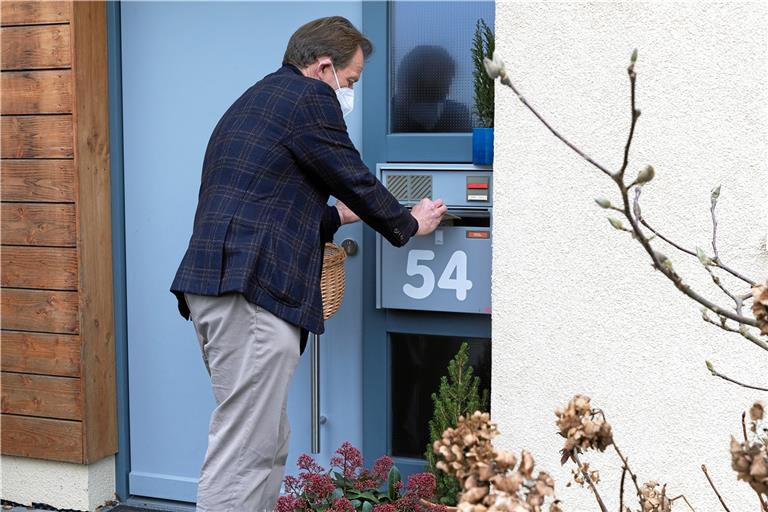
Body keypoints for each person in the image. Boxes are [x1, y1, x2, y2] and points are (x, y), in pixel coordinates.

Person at [170, 16, 447, 512]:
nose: (351, 91)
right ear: (324, 68)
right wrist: (408, 223)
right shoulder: (310, 98)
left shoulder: (256, 101)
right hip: (251, 295)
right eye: (353, 81)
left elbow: (267, 203)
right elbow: (353, 176)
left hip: (217, 288)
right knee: (245, 451)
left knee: (266, 442)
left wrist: (338, 217)